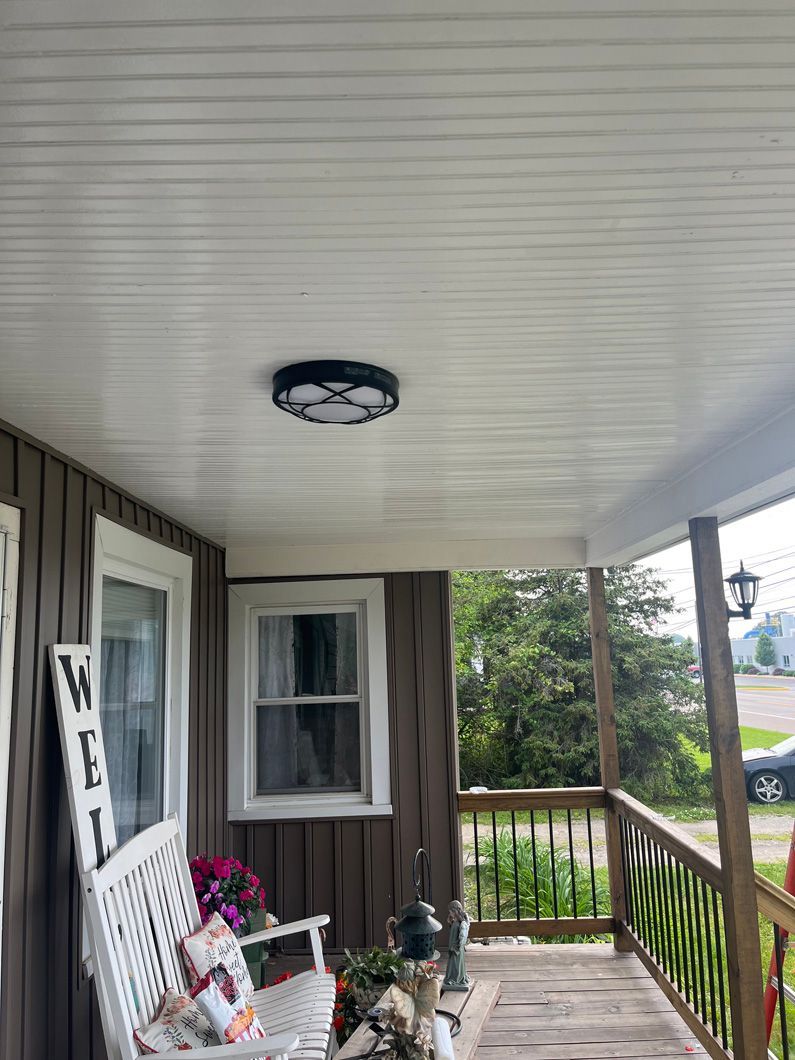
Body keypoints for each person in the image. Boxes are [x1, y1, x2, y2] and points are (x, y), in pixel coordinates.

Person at [443, 901, 471, 991]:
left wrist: (457, 946)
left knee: (455, 964)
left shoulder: (461, 923)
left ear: (455, 911)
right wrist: (450, 922)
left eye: (451, 911)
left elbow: (461, 937)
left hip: (456, 948)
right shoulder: (455, 922)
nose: (450, 913)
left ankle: (455, 979)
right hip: (453, 946)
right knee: (454, 963)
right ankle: (454, 977)